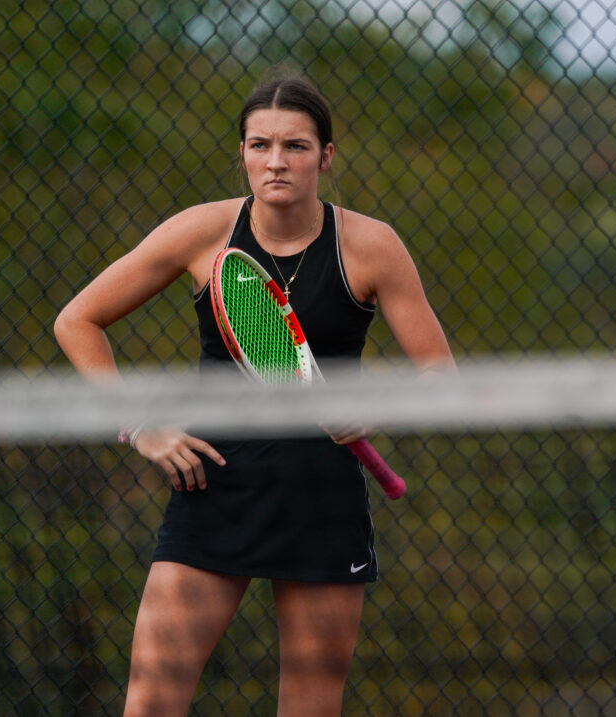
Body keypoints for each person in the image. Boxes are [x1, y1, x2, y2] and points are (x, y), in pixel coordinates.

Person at [54, 76, 454, 716]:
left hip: (322, 500)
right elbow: (77, 321)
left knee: (310, 707)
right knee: (151, 701)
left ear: (325, 155)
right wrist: (138, 425)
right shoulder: (200, 232)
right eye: (260, 144)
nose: (276, 161)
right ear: (240, 153)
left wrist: (373, 408)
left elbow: (438, 375)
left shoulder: (372, 245)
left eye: (295, 146)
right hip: (213, 490)